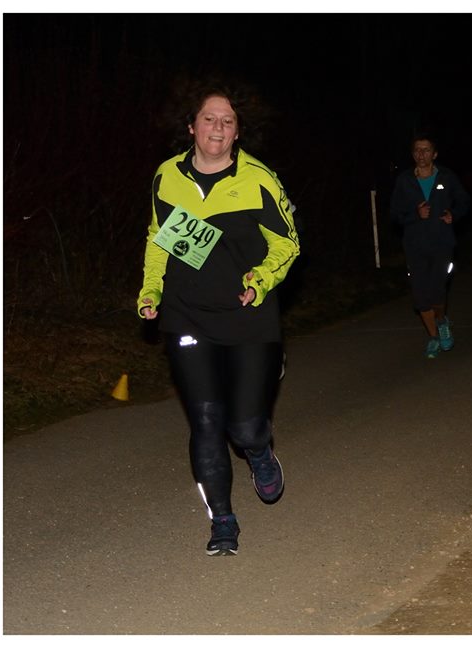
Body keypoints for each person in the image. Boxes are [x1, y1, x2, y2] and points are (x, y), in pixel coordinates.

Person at [136, 80, 300, 554]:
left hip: (248, 316)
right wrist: (151, 290)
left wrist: (261, 279)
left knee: (243, 426)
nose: (218, 127)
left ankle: (259, 449)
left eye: (228, 121)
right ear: (191, 126)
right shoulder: (166, 177)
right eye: (209, 118)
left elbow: (287, 243)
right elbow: (158, 237)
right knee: (206, 421)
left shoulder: (258, 179)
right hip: (188, 316)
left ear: (237, 132)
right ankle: (223, 520)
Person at [390, 134, 470, 359]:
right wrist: (414, 215)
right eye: (417, 150)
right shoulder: (404, 180)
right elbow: (394, 214)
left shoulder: (446, 176)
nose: (421, 154)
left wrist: (453, 214)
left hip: (442, 242)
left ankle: (442, 320)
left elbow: (464, 201)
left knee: (436, 290)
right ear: (412, 154)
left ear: (434, 154)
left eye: (426, 150)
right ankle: (434, 336)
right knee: (419, 295)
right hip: (415, 244)